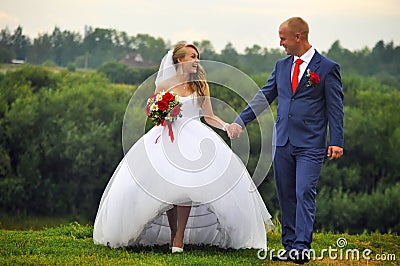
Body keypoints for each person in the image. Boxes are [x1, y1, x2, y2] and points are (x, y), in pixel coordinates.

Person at [93, 42, 274, 253]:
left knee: (186, 185)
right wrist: (161, 114)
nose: (197, 60)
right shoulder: (164, 85)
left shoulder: (201, 85)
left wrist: (226, 126)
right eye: (192, 56)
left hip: (195, 139)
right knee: (168, 186)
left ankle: (179, 237)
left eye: (197, 56)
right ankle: (172, 233)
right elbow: (153, 113)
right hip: (167, 138)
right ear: (180, 60)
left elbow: (209, 116)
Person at [227, 17, 344, 263]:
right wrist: (240, 121)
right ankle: (289, 246)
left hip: (311, 144)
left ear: (298, 37)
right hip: (282, 142)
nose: (281, 43)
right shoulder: (281, 66)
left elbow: (336, 107)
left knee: (304, 191)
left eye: (283, 38)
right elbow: (264, 97)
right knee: (286, 194)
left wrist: (337, 140)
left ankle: (302, 248)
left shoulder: (327, 67)